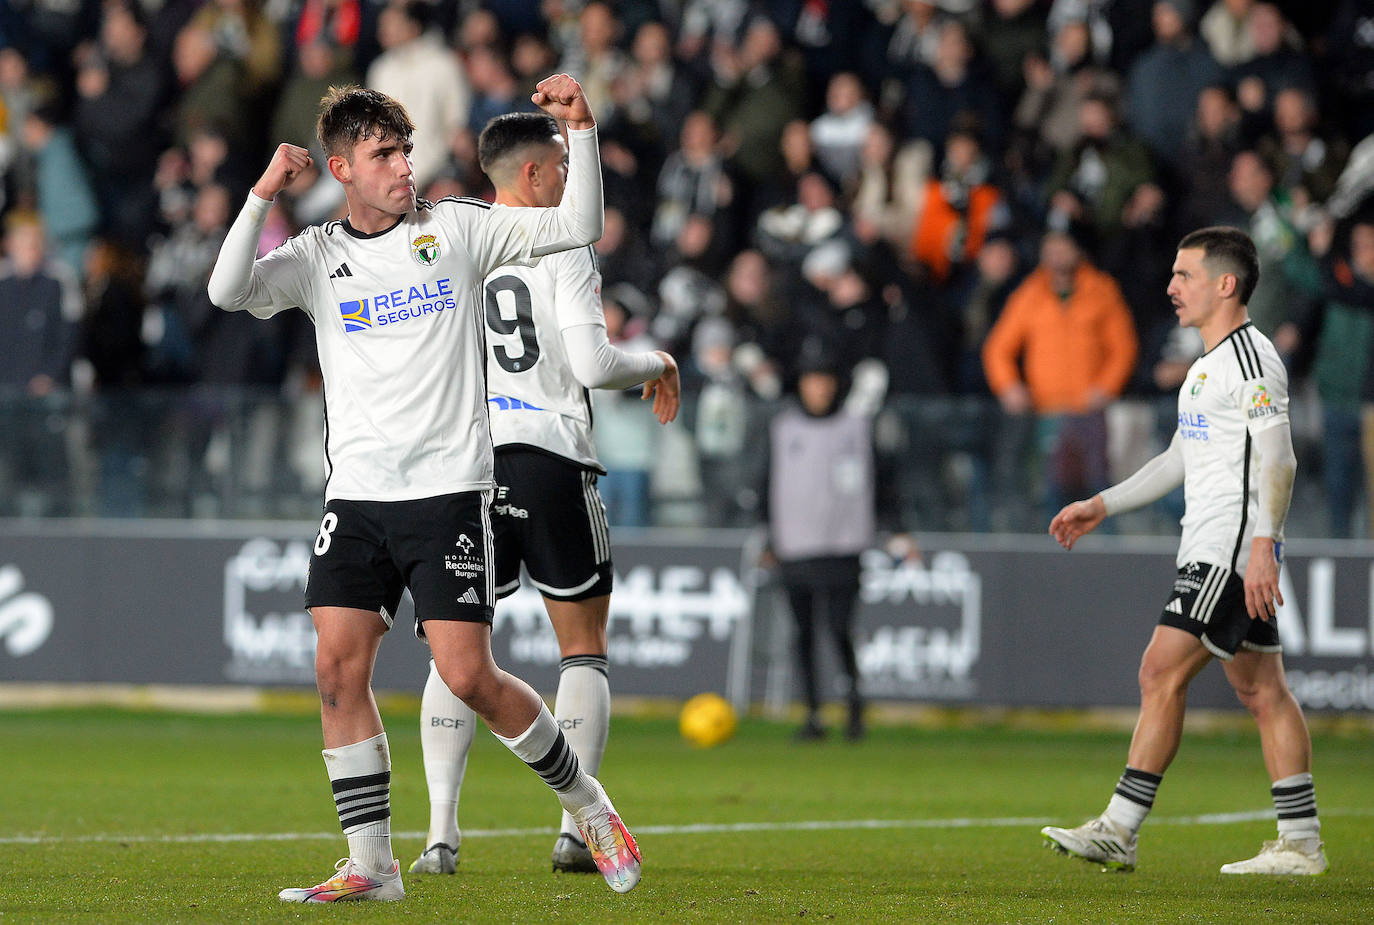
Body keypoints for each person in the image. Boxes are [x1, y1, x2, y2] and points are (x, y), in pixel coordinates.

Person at [206, 75, 643, 902]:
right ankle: (372, 865)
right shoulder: (316, 258)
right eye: (384, 154)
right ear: (341, 167)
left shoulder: (459, 228)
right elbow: (227, 290)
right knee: (337, 670)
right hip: (358, 498)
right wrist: (261, 191)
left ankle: (588, 802)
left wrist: (581, 133)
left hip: (448, 493)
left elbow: (580, 225)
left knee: (470, 675)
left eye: (406, 149)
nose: (405, 165)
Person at [407, 111, 680, 878]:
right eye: (562, 165)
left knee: (457, 649)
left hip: (468, 463)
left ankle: (439, 835)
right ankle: (577, 831)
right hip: (552, 456)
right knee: (582, 647)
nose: (570, 179)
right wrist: (656, 360)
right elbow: (592, 364)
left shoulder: (453, 246)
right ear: (532, 174)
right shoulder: (562, 240)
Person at [1041, 226, 1326, 876]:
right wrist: (1102, 503)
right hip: (1217, 544)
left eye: (1184, 275)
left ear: (1225, 284)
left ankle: (1119, 827)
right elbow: (1178, 457)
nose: (1171, 287)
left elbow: (1280, 458)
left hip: (1229, 548)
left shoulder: (1252, 360)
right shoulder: (1204, 369)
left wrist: (1264, 546)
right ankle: (1301, 842)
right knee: (1262, 690)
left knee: (1159, 671)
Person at [760, 349, 912, 741]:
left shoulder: (858, 428)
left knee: (839, 629)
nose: (819, 388)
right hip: (795, 545)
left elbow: (885, 485)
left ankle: (853, 706)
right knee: (803, 633)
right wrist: (767, 536)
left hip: (843, 545)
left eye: (825, 380)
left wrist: (896, 530)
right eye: (812, 380)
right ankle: (812, 714)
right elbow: (766, 485)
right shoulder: (783, 429)